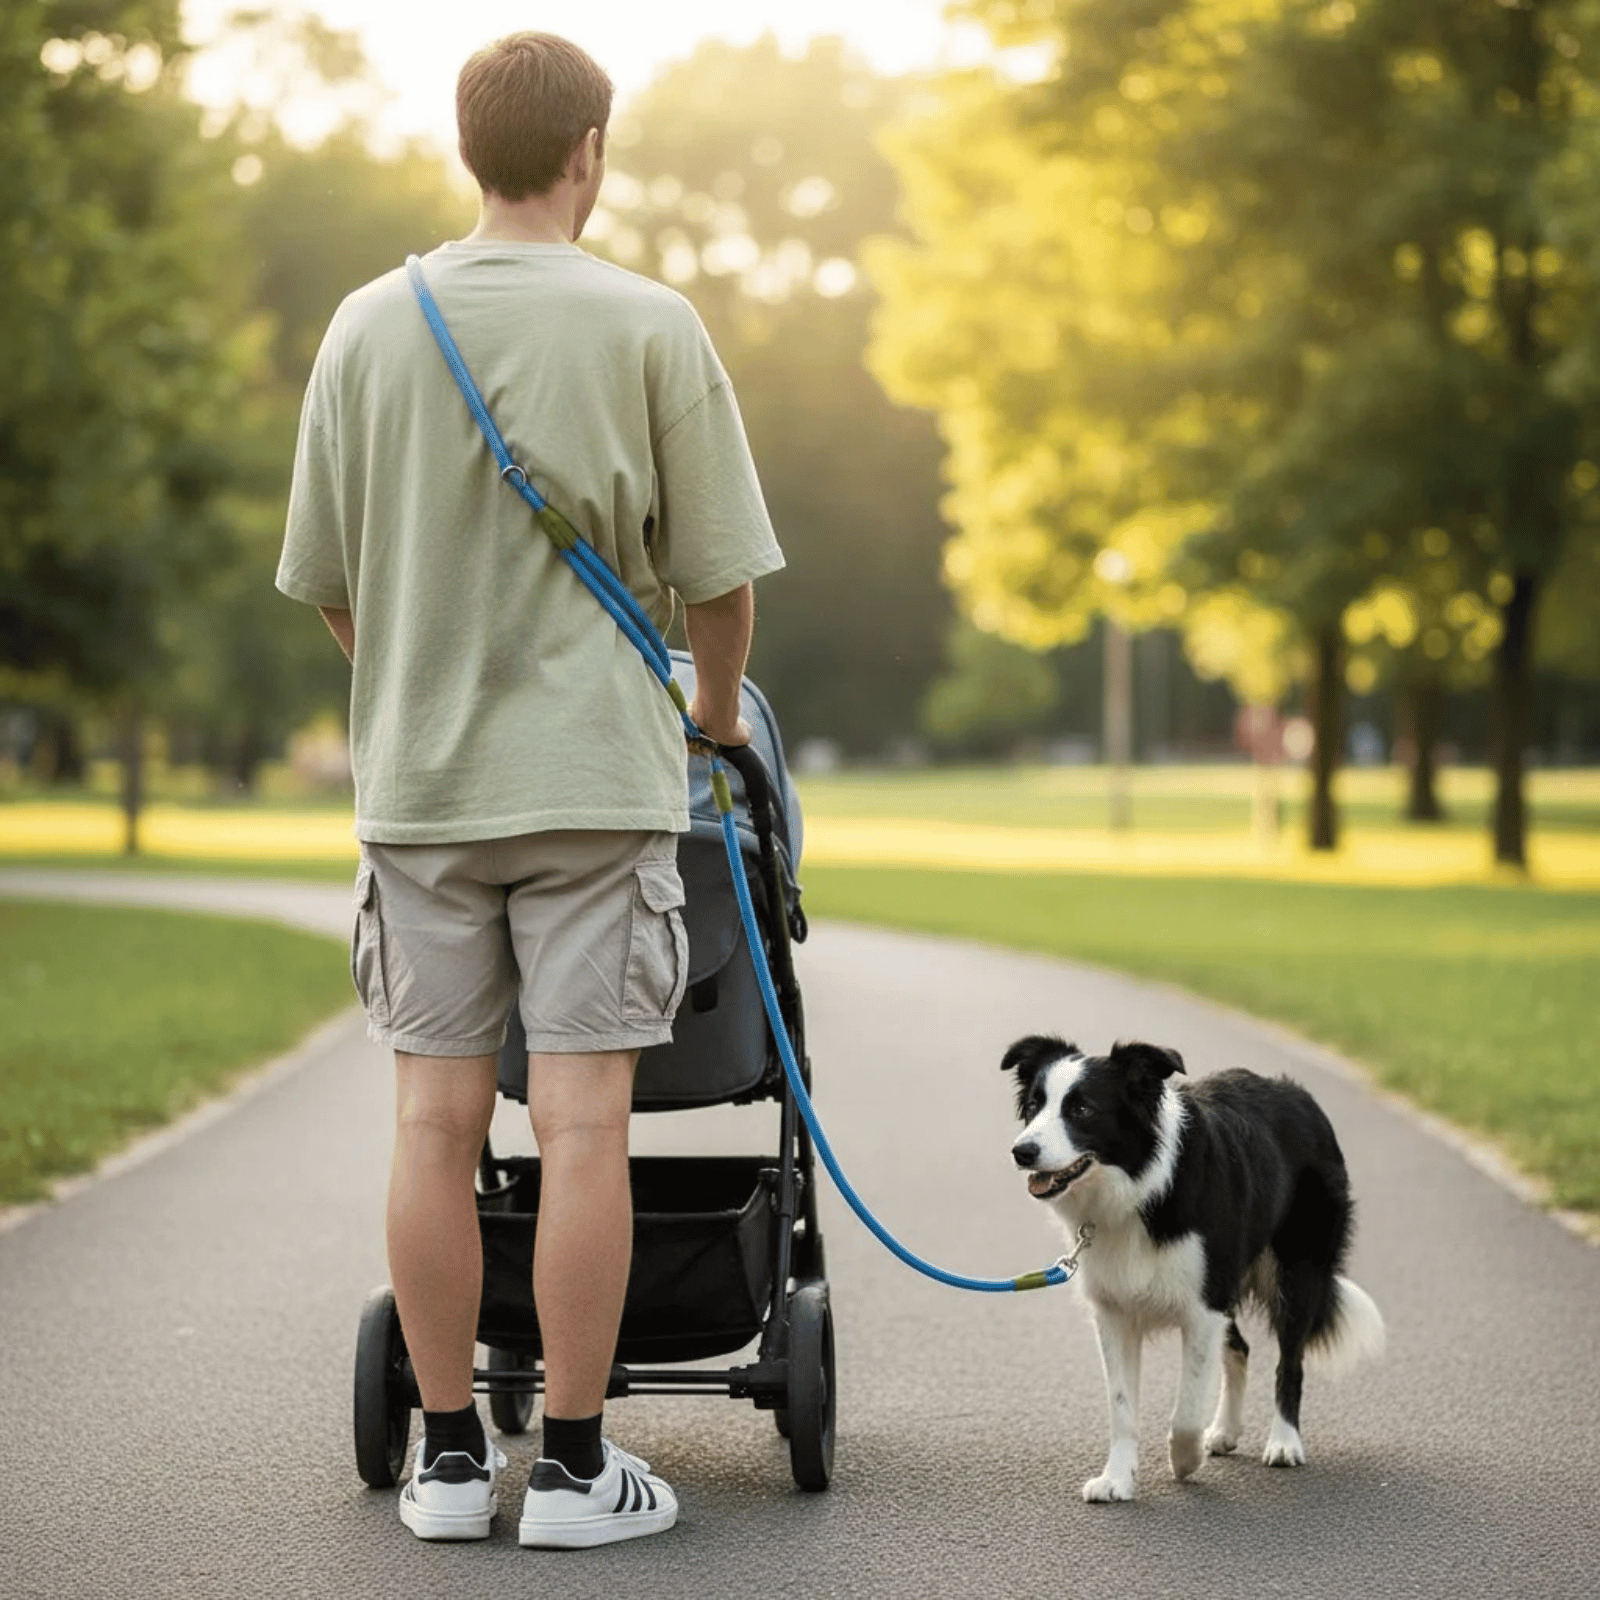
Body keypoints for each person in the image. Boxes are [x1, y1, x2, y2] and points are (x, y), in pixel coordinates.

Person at [275, 31, 783, 1550]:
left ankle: (443, 1465)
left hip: (421, 789)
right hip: (594, 786)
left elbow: (327, 584)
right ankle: (570, 1468)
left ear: (466, 148)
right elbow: (722, 581)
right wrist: (704, 719)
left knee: (433, 1122)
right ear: (590, 152)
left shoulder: (367, 327)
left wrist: (412, 679)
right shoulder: (649, 324)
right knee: (581, 1130)